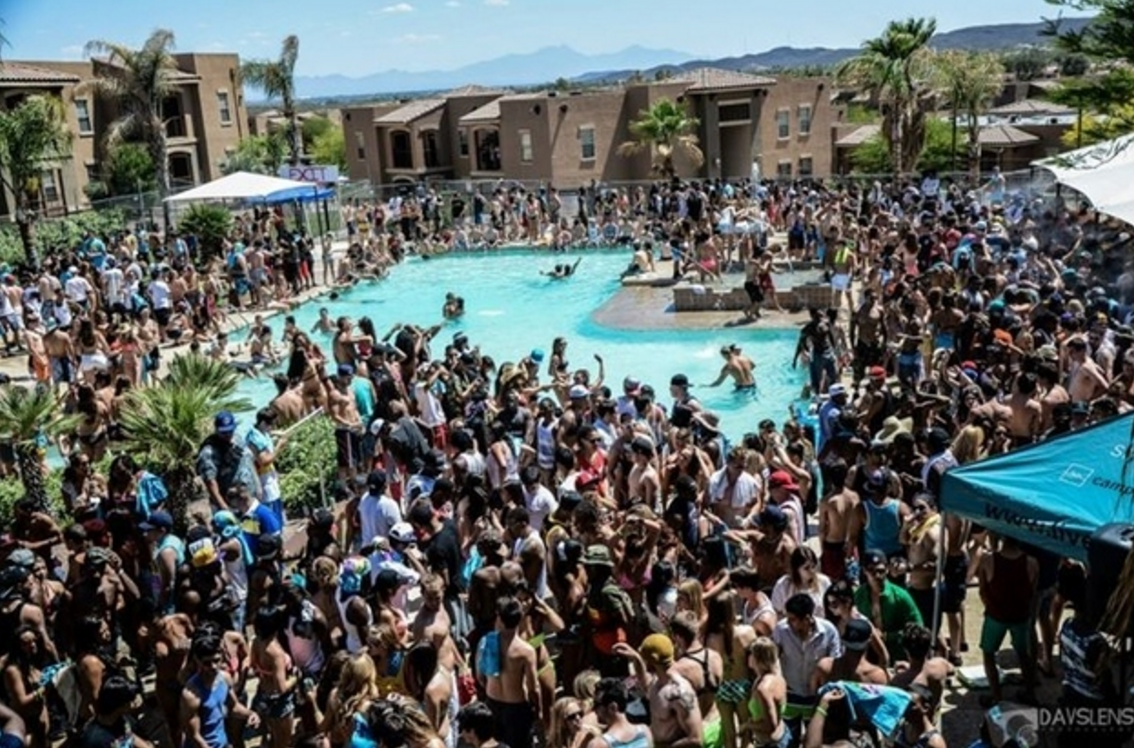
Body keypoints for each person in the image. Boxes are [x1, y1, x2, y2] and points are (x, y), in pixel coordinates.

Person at [977, 534, 1038, 705]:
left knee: (989, 654)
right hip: (1020, 617)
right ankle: (1030, 693)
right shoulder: (1032, 563)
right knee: (1024, 655)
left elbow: (982, 590)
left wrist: (990, 606)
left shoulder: (988, 560)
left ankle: (996, 696)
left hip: (996, 616)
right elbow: (1032, 593)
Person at [614, 634, 703, 748]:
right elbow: (645, 683)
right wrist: (636, 658)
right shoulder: (658, 682)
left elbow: (696, 739)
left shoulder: (679, 692)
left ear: (653, 660)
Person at [741, 637, 789, 748]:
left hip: (771, 744)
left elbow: (770, 726)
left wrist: (747, 725)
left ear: (758, 659)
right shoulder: (777, 677)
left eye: (750, 654)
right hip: (781, 736)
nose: (747, 657)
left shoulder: (763, 689)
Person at [586, 678, 652, 748]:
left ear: (612, 707)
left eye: (597, 704)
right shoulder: (644, 731)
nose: (594, 710)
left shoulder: (599, 744)